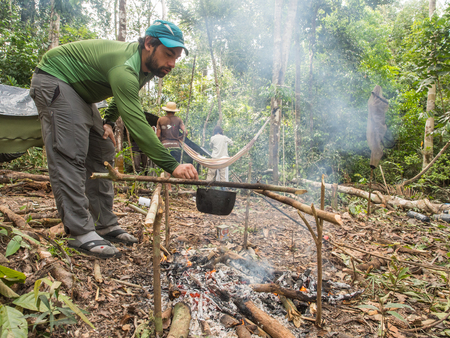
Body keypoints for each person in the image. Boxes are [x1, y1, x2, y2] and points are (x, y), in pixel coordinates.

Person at [29, 20, 198, 258]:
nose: (172, 63)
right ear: (149, 44)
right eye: (169, 54)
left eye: (177, 58)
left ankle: (104, 224)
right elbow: (137, 123)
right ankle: (80, 232)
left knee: (102, 150)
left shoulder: (145, 69)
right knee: (70, 152)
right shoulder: (125, 68)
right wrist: (172, 165)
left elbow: (122, 98)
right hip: (56, 79)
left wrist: (107, 121)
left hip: (82, 94)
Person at [156, 102, 186, 192]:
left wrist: (161, 141)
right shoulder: (178, 120)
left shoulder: (160, 120)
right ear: (174, 111)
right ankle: (178, 187)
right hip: (176, 146)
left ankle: (168, 188)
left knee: (167, 167)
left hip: (165, 146)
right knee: (177, 166)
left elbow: (157, 136)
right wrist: (179, 138)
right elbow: (186, 132)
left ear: (166, 110)